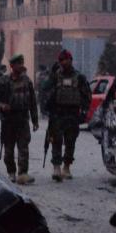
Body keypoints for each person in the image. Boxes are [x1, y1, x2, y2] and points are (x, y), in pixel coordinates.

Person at [43, 49, 90, 181]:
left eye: (66, 59)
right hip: (58, 113)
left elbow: (87, 95)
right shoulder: (55, 76)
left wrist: (84, 112)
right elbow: (44, 89)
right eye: (61, 60)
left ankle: (67, 166)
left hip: (73, 114)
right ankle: (56, 167)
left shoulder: (79, 77)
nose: (64, 62)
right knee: (56, 140)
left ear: (71, 60)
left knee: (70, 141)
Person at [0, 54, 39, 184]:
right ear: (12, 66)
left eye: (22, 63)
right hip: (8, 121)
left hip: (22, 119)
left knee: (23, 148)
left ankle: (22, 173)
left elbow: (33, 102)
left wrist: (35, 120)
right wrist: (2, 106)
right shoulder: (3, 82)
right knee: (8, 150)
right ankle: (11, 172)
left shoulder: (27, 81)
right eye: (19, 63)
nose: (21, 66)